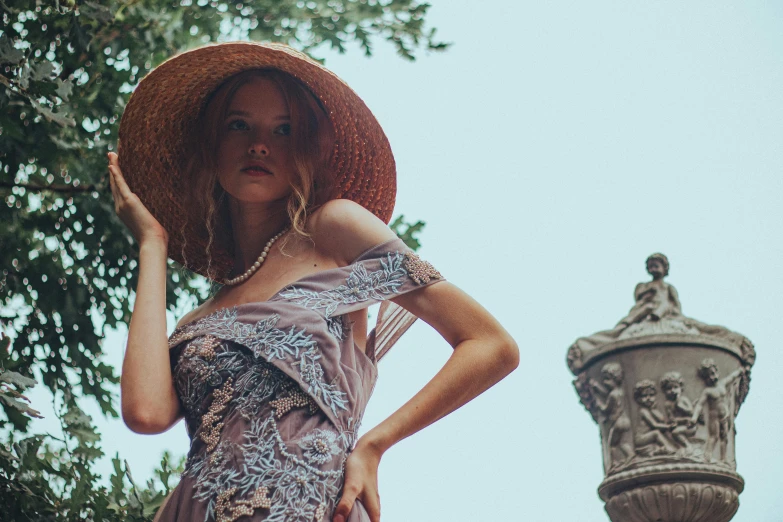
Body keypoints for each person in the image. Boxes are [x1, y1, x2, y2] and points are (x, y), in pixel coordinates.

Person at [109, 42, 519, 522]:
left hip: (308, 504)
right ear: (212, 146)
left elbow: (491, 345)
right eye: (238, 125)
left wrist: (374, 445)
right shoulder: (199, 320)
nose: (259, 144)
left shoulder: (335, 231)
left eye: (283, 130)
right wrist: (152, 244)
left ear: (306, 149)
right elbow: (145, 413)